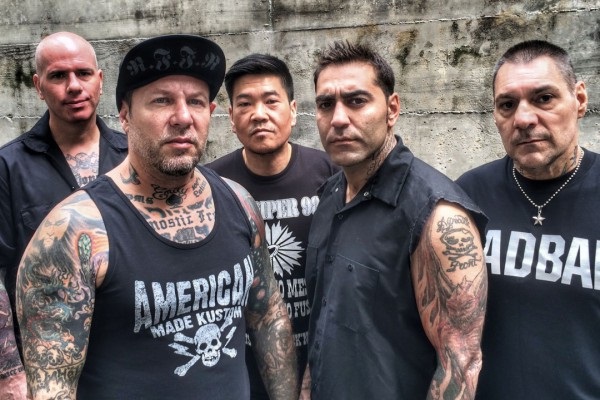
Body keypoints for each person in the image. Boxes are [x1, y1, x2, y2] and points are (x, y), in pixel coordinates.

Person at [16, 34, 297, 399]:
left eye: (196, 101)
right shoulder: (74, 232)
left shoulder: (240, 203)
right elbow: (52, 387)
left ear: (210, 112)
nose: (183, 117)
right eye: (162, 101)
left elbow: (269, 318)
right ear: (125, 115)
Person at [303, 41, 488, 399]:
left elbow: (461, 365)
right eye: (326, 104)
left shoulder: (438, 218)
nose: (338, 118)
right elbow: (323, 321)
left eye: (356, 101)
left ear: (392, 109)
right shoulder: (329, 195)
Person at [456, 40, 599, 399]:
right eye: (507, 104)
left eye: (544, 98)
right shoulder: (468, 196)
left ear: (580, 100)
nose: (523, 119)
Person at [0, 31, 127, 399]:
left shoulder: (133, 158)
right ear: (39, 86)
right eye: (58, 76)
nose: (73, 86)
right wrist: (9, 373)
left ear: (100, 80)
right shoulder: (8, 167)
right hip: (45, 369)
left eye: (83, 73)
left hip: (129, 359)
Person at [207, 53, 338, 399]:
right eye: (245, 104)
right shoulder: (213, 186)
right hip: (244, 371)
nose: (259, 114)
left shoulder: (331, 175)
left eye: (271, 101)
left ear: (293, 111)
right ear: (231, 118)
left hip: (323, 362)